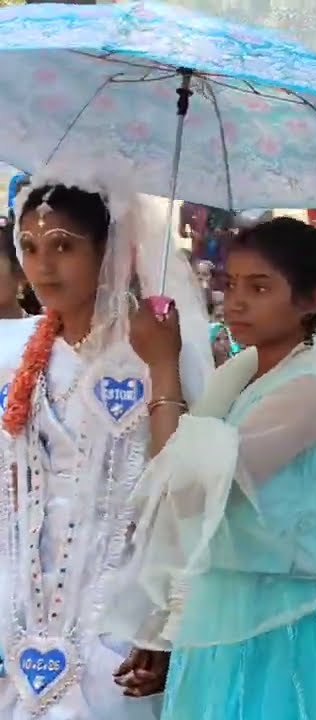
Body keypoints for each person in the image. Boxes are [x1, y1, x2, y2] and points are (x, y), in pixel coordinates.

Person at [105, 217, 316, 719]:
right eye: (230, 284)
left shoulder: (310, 389)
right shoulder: (241, 373)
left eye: (259, 287)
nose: (234, 302)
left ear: (311, 301)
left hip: (283, 616)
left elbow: (188, 483)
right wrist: (170, 622)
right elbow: (191, 502)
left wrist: (163, 366)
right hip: (226, 603)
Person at [0, 172, 214, 719]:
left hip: (118, 602)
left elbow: (183, 485)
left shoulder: (149, 343)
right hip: (23, 601)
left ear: (109, 249)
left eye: (63, 247)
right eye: (29, 247)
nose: (42, 265)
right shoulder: (15, 350)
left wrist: (164, 366)